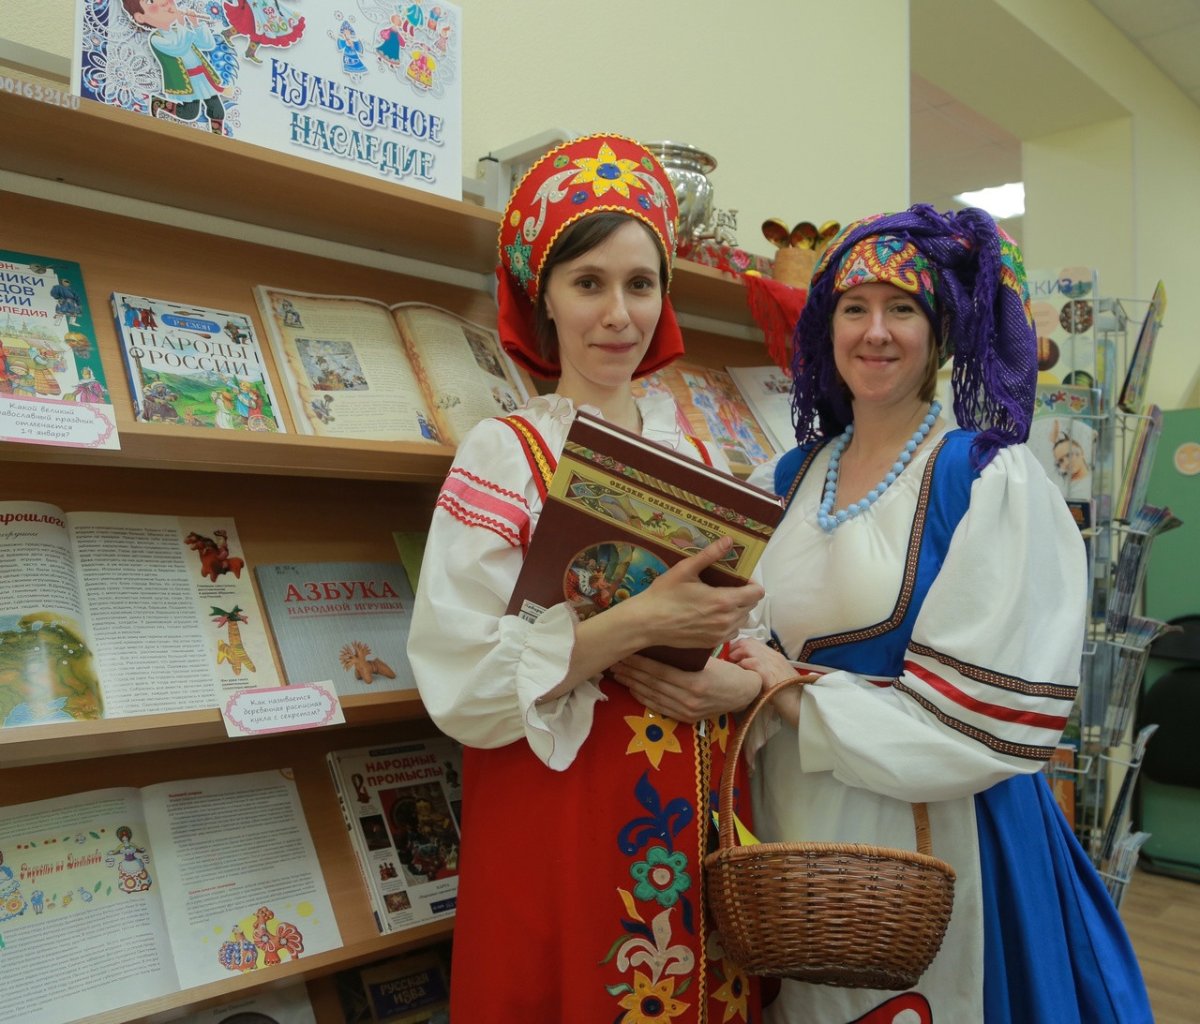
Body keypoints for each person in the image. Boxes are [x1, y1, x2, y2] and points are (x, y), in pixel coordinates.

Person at [720, 205, 1151, 1022]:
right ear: (827, 327)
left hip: (934, 830)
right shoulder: (786, 476)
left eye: (902, 309)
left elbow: (980, 719)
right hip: (789, 829)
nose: (876, 332)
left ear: (942, 332)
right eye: (855, 308)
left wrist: (786, 692)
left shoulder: (987, 478)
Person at [407, 134, 765, 1023]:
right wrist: (638, 624)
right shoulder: (505, 454)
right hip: (564, 818)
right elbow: (460, 675)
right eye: (589, 283)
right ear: (546, 298)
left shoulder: (700, 458)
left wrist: (741, 685)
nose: (617, 314)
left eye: (640, 284)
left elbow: (745, 636)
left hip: (697, 816)